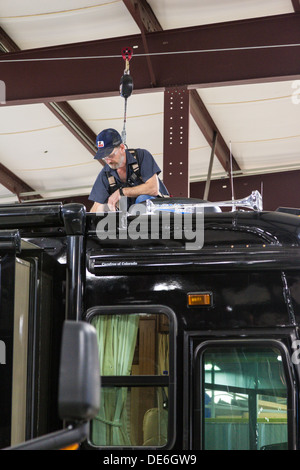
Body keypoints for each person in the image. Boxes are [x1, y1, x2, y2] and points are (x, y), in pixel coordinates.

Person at [89, 128, 169, 212]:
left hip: (161, 213)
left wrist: (122, 192)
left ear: (122, 147)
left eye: (111, 155)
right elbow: (97, 206)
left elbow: (153, 189)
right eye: (104, 157)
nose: (108, 161)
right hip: (133, 219)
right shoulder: (105, 174)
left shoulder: (141, 156)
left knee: (142, 200)